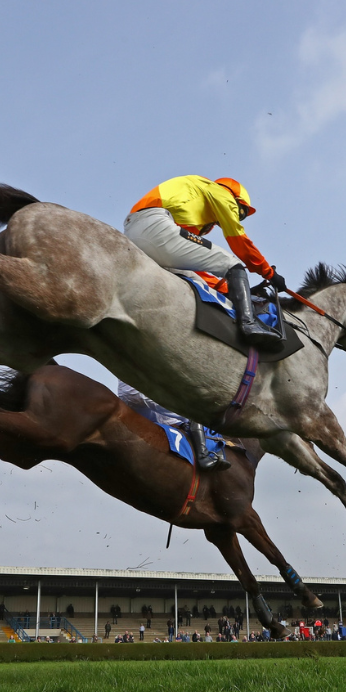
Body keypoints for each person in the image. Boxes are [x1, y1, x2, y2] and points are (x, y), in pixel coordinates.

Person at [124, 175, 287, 348]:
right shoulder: (220, 193)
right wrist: (268, 273)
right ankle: (249, 324)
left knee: (198, 284)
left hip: (136, 232)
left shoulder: (192, 204)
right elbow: (239, 240)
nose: (237, 217)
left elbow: (188, 261)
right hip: (155, 225)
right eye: (240, 213)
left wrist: (229, 289)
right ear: (234, 199)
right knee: (234, 265)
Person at [117, 381, 229, 471]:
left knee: (173, 421)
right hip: (138, 390)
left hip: (129, 393)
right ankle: (203, 457)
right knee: (193, 415)